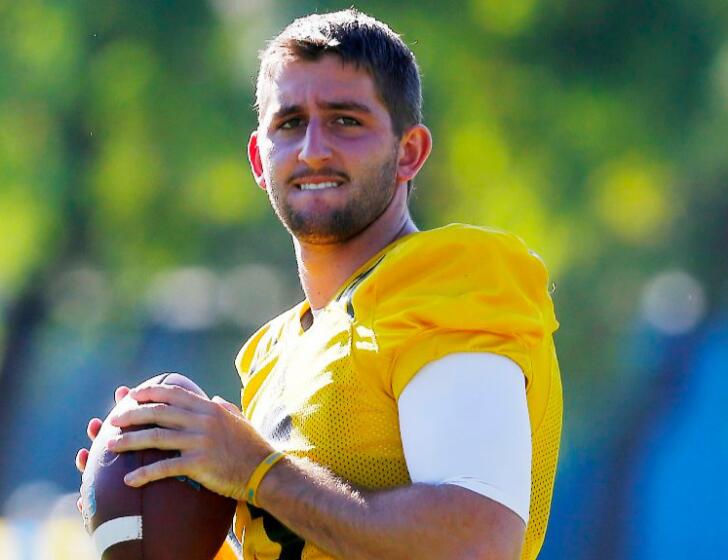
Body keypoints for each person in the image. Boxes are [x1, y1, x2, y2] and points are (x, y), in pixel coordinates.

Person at [76, 9, 562, 560]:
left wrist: (256, 469)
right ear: (260, 159)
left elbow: (475, 542)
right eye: (289, 124)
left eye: (345, 120)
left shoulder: (448, 279)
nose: (312, 149)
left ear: (409, 152)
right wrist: (154, 499)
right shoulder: (272, 354)